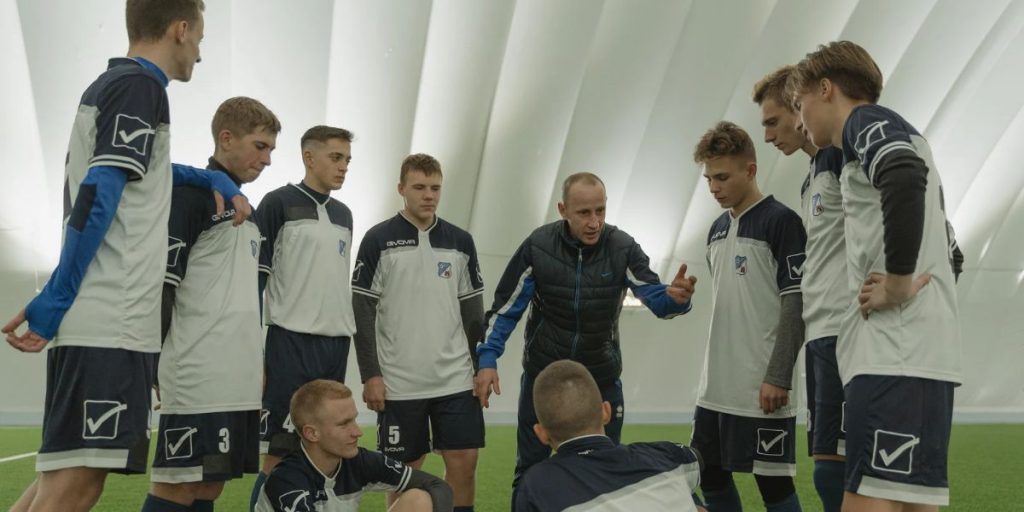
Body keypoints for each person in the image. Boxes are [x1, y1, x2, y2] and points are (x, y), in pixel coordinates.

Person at [1, 2, 249, 511]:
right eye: (200, 37)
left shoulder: (114, 86)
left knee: (60, 482)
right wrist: (57, 293)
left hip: (105, 322)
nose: (200, 53)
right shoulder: (142, 87)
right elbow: (100, 190)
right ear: (181, 30)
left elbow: (143, 174)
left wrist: (207, 176)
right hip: (109, 322)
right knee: (76, 486)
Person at [790, 40, 962, 511]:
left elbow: (902, 173)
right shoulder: (900, 136)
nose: (799, 119)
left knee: (867, 499)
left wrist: (901, 282)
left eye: (798, 103)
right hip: (919, 355)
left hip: (894, 357)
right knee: (910, 501)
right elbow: (953, 254)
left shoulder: (865, 122)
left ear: (825, 89)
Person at [474, 172, 698, 494]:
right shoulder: (538, 246)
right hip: (544, 378)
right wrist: (487, 359)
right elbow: (506, 310)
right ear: (563, 210)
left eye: (600, 211)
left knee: (607, 475)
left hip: (600, 379)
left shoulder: (622, 247)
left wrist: (677, 299)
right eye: (584, 213)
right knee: (531, 473)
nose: (595, 222)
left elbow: (657, 299)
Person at [141, 96, 280, 512]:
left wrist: (255, 363)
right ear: (226, 138)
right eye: (260, 146)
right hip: (196, 369)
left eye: (272, 150)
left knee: (210, 486)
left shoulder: (249, 213)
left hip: (235, 373)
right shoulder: (189, 196)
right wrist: (150, 360)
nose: (268, 159)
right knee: (178, 485)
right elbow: (161, 285)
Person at [352, 154, 485, 512]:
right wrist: (371, 375)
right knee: (403, 473)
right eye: (420, 187)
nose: (429, 195)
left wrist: (484, 365)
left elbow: (473, 313)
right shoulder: (378, 239)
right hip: (399, 382)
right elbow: (361, 312)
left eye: (435, 188)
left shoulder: (460, 241)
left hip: (455, 379)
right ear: (402, 189)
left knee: (464, 463)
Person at [691, 121, 806, 512]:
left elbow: (796, 303)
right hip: (715, 389)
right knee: (709, 475)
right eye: (708, 179)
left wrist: (779, 375)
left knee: (773, 485)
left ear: (751, 169)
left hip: (762, 389)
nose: (714, 187)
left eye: (722, 177)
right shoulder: (716, 230)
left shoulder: (783, 222)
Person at [754, 66, 847, 512]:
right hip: (822, 337)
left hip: (852, 335)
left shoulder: (845, 156)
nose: (769, 136)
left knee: (849, 471)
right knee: (829, 468)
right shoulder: (812, 175)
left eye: (772, 121)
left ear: (798, 107)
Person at [250, 125, 358, 509]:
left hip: (335, 344)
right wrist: (253, 352)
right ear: (308, 157)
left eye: (347, 159)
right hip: (290, 343)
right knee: (279, 454)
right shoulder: (277, 203)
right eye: (335, 157)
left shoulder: (344, 213)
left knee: (323, 455)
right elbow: (255, 278)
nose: (344, 166)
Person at [514, 360, 705, 512]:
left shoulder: (535, 487)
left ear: (542, 433)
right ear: (606, 411)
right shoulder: (666, 455)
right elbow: (697, 461)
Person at [255, 379, 453, 512]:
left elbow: (438, 486)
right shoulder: (287, 482)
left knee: (419, 499)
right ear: (312, 433)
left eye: (354, 420)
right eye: (344, 424)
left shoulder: (359, 460)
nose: (357, 432)